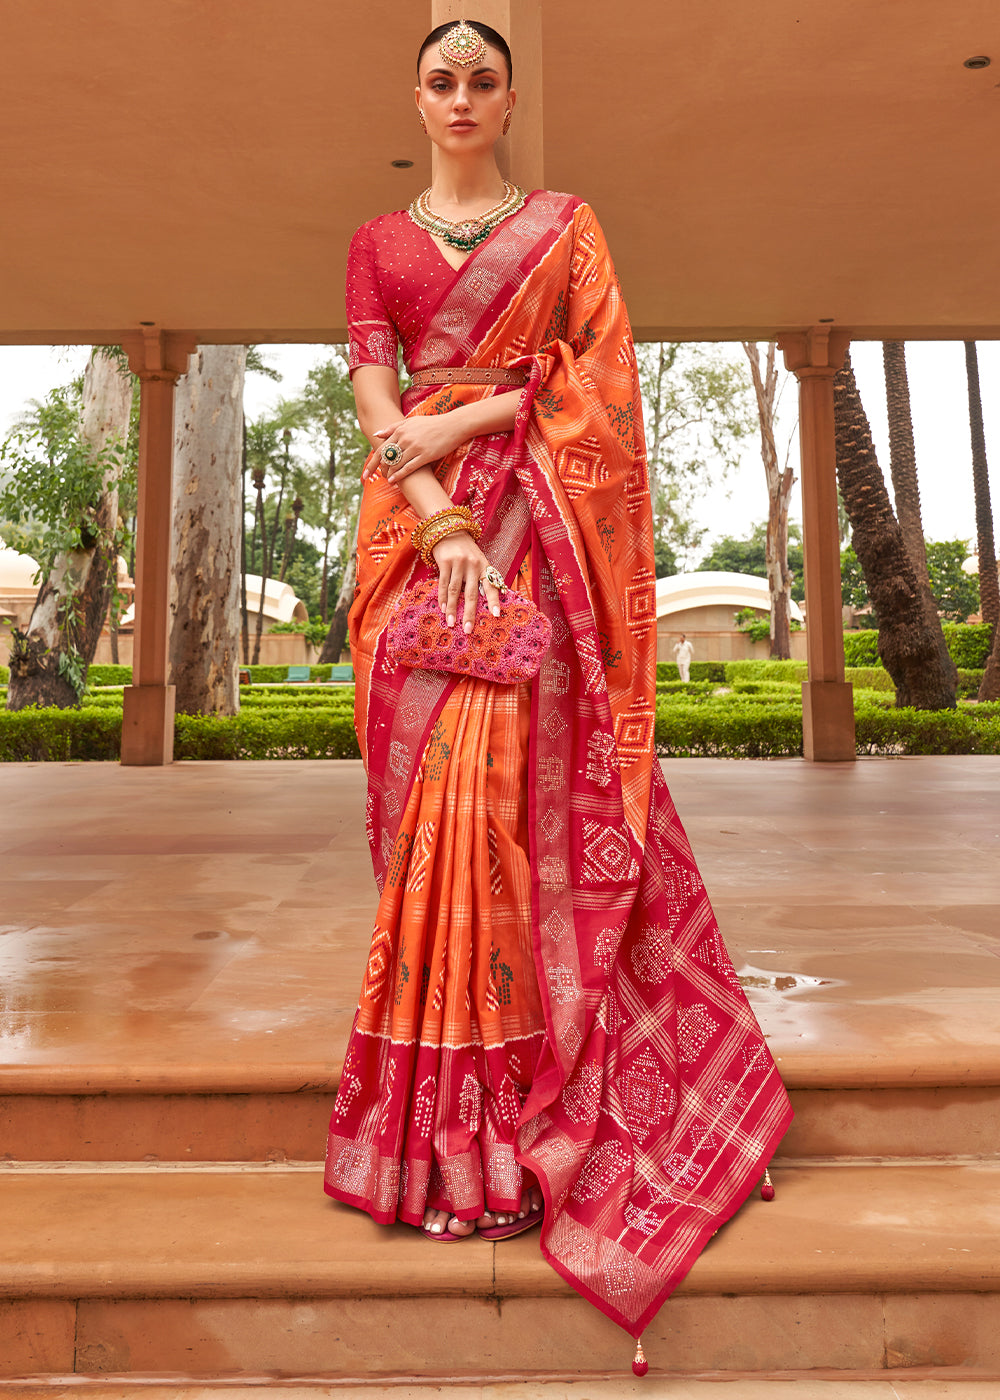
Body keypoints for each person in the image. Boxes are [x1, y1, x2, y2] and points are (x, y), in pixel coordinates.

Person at [324, 18, 792, 1364]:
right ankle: (438, 1133)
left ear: (510, 96)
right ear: (414, 96)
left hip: (541, 523)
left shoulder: (565, 228)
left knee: (523, 805)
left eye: (482, 79)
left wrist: (465, 426)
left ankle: (559, 1089)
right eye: (440, 79)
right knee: (435, 822)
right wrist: (439, 516)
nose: (461, 97)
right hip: (419, 535)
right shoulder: (377, 240)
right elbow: (374, 394)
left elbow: (583, 389)